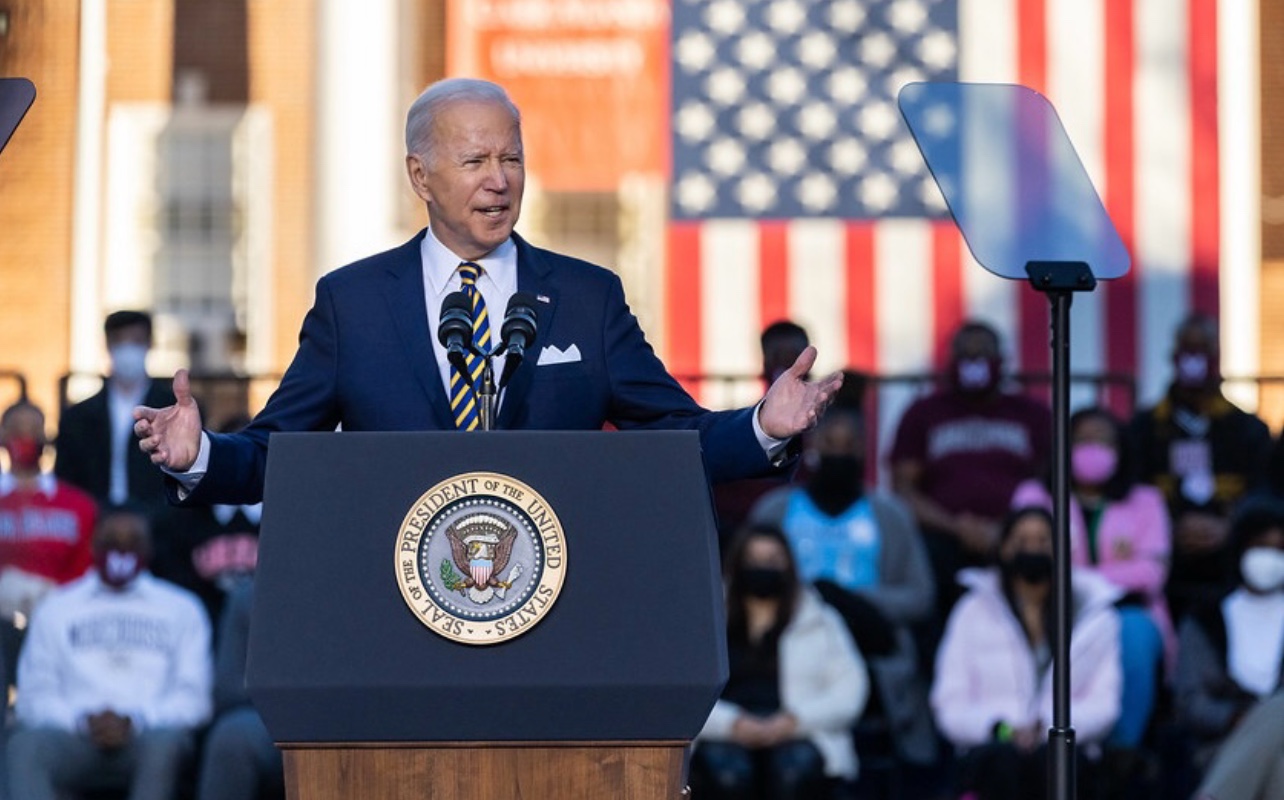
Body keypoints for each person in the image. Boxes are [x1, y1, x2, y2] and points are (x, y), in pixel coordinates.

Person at [132, 78, 841, 505]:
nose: (499, 180)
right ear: (420, 176)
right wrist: (199, 454)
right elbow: (277, 453)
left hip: (558, 607)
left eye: (512, 159)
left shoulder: (587, 298)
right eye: (474, 160)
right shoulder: (354, 304)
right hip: (398, 608)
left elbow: (674, 438)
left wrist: (759, 427)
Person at [749, 401, 937, 768]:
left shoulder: (889, 515)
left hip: (868, 649)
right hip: (787, 645)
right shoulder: (775, 509)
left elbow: (920, 595)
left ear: (864, 449)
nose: (840, 451)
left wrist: (850, 600)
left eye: (849, 444)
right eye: (830, 442)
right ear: (814, 446)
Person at [6, 505, 212, 800]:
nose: (122, 549)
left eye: (133, 541)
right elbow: (34, 697)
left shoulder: (182, 608)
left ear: (149, 547)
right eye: (112, 540)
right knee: (24, 747)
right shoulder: (57, 608)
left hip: (149, 737)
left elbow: (195, 700)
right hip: (73, 736)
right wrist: (81, 720)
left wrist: (137, 720)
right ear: (92, 543)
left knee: (165, 744)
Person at [931, 507, 1122, 800]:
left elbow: (1105, 705)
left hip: (1066, 748)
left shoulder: (1096, 615)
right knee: (1002, 762)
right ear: (1004, 549)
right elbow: (948, 703)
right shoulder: (972, 610)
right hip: (991, 748)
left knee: (1056, 760)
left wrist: (1046, 727)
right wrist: (1003, 729)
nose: (1032, 549)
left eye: (1043, 541)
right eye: (1022, 541)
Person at [1011, 406, 1172, 753]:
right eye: (1083, 440)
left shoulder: (1146, 500)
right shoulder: (1035, 495)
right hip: (1054, 608)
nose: (1092, 448)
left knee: (1134, 635)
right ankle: (1042, 746)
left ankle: (1120, 754)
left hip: (1125, 612)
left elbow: (1151, 574)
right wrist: (1111, 575)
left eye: (1104, 441)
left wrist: (1080, 578)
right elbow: (1025, 559)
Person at [888, 321, 1051, 641]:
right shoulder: (924, 412)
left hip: (1016, 534)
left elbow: (1050, 483)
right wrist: (956, 526)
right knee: (927, 569)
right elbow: (904, 488)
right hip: (942, 537)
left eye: (983, 354)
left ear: (1002, 361)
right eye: (966, 354)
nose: (974, 362)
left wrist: (1008, 529)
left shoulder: (1032, 414)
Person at [691, 524, 869, 799]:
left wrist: (793, 721)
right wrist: (731, 723)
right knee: (727, 776)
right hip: (723, 730)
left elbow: (851, 690)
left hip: (799, 730)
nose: (763, 568)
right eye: (754, 561)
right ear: (737, 564)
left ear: (789, 566)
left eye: (773, 560)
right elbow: (689, 691)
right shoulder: (707, 620)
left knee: (792, 774)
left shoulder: (821, 619)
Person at [1129, 314, 1272, 621]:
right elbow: (1132, 491)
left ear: (1217, 357)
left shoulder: (1248, 430)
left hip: (1230, 563)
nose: (1194, 359)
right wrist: (1169, 527)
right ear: (1173, 357)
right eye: (1187, 350)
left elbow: (1265, 493)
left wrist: (1229, 528)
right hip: (1166, 561)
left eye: (1202, 350)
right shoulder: (1145, 427)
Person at [1174, 499, 1284, 786]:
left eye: (1280, 549)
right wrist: (1234, 718)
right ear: (1241, 548)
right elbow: (1190, 700)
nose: (1270, 557)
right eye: (1261, 546)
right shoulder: (1205, 618)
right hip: (1219, 746)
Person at [0, 401, 97, 692]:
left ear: (47, 438)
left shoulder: (79, 505)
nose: (26, 437)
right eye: (17, 430)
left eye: (34, 430)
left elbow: (86, 568)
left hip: (59, 620)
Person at [56, 310, 175, 513]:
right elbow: (67, 481)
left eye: (136, 340)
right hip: (95, 523)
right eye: (120, 341)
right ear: (108, 345)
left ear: (149, 343)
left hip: (158, 527)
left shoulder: (172, 410)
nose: (128, 350)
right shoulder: (77, 417)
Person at [152, 414, 261, 632]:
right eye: (231, 456)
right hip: (201, 634)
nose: (239, 465)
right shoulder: (182, 518)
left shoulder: (282, 519)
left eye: (248, 457)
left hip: (265, 635)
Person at [713, 320, 815, 543]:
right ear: (766, 363)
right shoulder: (744, 430)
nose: (788, 369)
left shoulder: (826, 434)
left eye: (794, 358)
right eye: (779, 358)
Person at [196, 580, 284, 800]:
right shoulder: (249, 596)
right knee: (232, 736)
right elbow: (229, 689)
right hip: (272, 717)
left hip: (351, 711)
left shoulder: (369, 586)